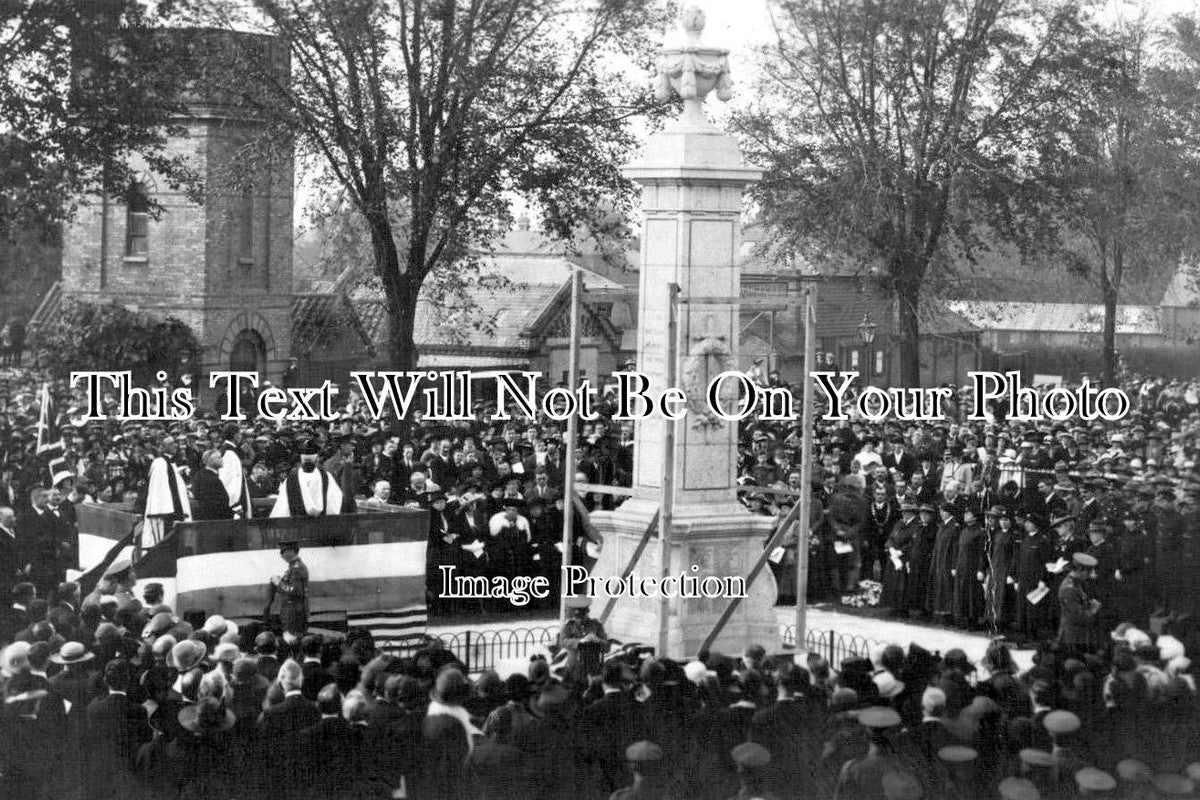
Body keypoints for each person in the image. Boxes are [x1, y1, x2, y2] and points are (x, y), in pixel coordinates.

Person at [270, 440, 344, 517]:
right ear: (316, 459)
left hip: (297, 525)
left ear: (302, 460)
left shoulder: (291, 478)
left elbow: (282, 508)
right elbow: (334, 504)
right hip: (321, 524)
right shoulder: (326, 476)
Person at [142, 435, 192, 548]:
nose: (175, 445)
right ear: (163, 447)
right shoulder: (160, 463)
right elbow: (159, 490)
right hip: (166, 513)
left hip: (175, 511)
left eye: (174, 442)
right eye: (170, 444)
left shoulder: (171, 463)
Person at [1057, 552, 1100, 655]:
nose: (1090, 575)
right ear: (1080, 570)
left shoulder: (1078, 584)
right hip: (1071, 638)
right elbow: (1077, 616)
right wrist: (1093, 609)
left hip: (1079, 635)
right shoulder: (1069, 588)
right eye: (1088, 572)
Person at [268, 541, 309, 645]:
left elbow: (294, 591)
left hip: (293, 614)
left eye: (283, 552)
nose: (281, 555)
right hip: (292, 612)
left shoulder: (296, 569)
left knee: (292, 641)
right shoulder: (294, 567)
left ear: (291, 551)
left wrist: (278, 583)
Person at [192, 449, 234, 521]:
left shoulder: (199, 474)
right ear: (210, 461)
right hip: (215, 519)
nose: (222, 460)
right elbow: (217, 501)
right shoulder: (212, 478)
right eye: (219, 458)